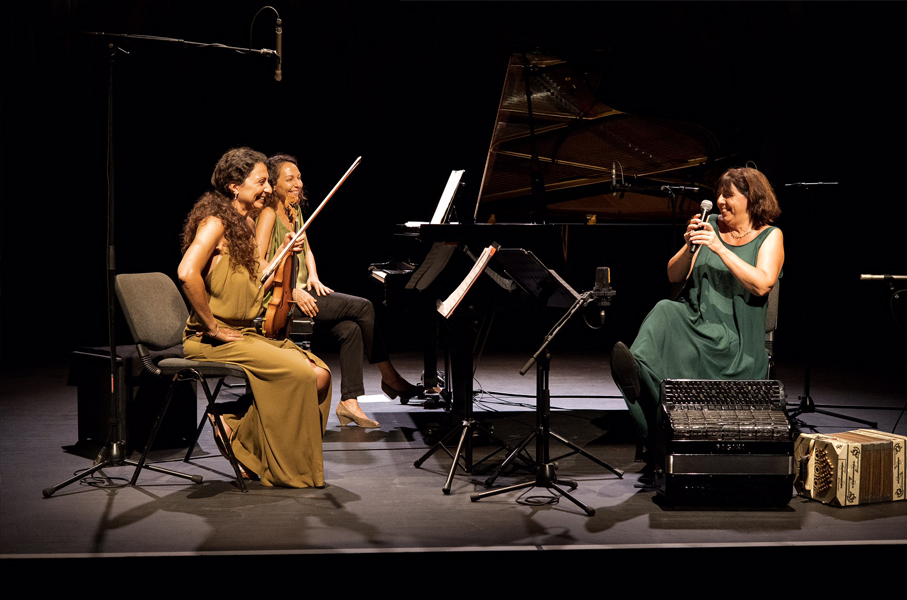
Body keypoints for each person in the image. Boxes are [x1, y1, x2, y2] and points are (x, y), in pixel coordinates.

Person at [178, 147, 332, 488]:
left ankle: (232, 425)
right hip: (210, 339)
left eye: (267, 182)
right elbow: (187, 273)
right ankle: (247, 445)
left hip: (244, 333)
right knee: (298, 374)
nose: (268, 188)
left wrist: (284, 253)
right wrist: (213, 327)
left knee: (320, 375)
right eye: (261, 181)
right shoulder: (215, 223)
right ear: (235, 186)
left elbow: (258, 276)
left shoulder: (246, 225)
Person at [610, 167, 784, 456]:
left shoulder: (770, 236)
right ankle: (636, 374)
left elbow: (763, 284)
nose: (720, 201)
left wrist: (719, 248)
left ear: (751, 199)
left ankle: (655, 421)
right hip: (695, 321)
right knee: (665, 309)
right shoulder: (710, 224)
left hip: (736, 336)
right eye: (719, 195)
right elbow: (673, 275)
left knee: (672, 319)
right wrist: (689, 246)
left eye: (728, 195)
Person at [255, 153, 421, 429]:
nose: (298, 183)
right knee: (363, 306)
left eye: (299, 178)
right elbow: (259, 264)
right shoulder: (268, 215)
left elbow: (307, 249)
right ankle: (389, 375)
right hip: (280, 299)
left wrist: (314, 275)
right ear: (274, 184)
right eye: (290, 179)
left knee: (350, 329)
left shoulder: (294, 211)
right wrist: (293, 290)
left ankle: (349, 402)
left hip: (303, 291)